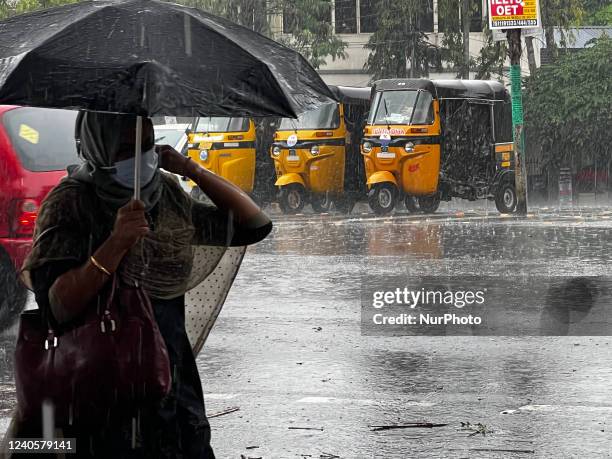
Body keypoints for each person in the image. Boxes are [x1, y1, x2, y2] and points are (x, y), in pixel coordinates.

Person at [9, 111, 272, 458]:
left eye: (147, 145)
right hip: (101, 386)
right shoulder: (71, 201)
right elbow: (58, 305)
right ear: (97, 147)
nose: (140, 157)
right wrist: (115, 244)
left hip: (171, 380)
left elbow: (253, 225)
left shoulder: (166, 196)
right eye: (125, 148)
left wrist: (191, 170)